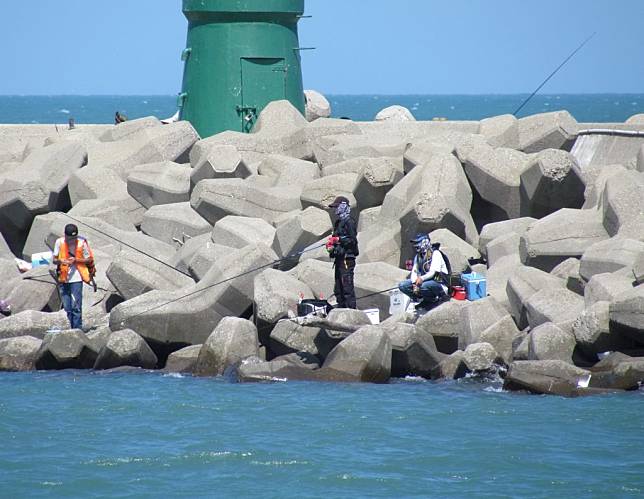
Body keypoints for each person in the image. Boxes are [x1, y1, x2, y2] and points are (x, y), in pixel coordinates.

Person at [53, 224, 95, 330]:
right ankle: (71, 328)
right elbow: (54, 260)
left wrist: (76, 260)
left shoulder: (81, 242)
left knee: (76, 306)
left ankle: (77, 329)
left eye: (74, 238)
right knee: (67, 307)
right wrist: (61, 261)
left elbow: (89, 259)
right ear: (65, 235)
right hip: (63, 278)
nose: (72, 240)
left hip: (77, 277)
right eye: (70, 238)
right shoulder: (59, 242)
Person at [398, 234, 449, 310]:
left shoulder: (435, 253)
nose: (415, 245)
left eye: (417, 243)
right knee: (402, 285)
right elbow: (414, 271)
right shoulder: (418, 256)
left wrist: (421, 278)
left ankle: (434, 300)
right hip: (426, 281)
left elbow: (433, 272)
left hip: (440, 282)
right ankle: (423, 299)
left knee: (423, 286)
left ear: (425, 242)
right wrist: (414, 283)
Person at [327, 196, 359, 309]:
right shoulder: (337, 223)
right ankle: (341, 311)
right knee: (338, 289)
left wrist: (339, 240)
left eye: (336, 206)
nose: (335, 209)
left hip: (347, 259)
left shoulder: (349, 222)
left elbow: (353, 240)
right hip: (339, 259)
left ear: (343, 206)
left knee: (347, 288)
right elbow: (334, 238)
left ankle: (351, 312)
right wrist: (331, 246)